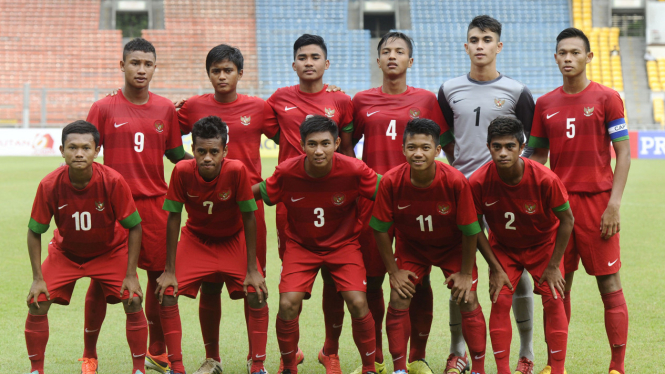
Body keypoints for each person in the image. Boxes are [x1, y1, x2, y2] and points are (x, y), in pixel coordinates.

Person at [437, 15, 537, 374]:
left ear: (499, 46)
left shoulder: (517, 91)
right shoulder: (449, 89)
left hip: (505, 195)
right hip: (463, 192)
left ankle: (526, 353)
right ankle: (458, 351)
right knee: (460, 272)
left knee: (518, 268)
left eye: (487, 39)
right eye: (474, 40)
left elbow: (528, 144)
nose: (480, 45)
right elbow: (446, 139)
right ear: (466, 46)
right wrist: (461, 171)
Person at [84, 37, 189, 374]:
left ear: (155, 68)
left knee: (160, 279)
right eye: (135, 63)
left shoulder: (165, 109)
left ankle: (157, 350)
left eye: (148, 64)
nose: (141, 69)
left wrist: (208, 165)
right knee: (100, 282)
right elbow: (86, 157)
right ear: (122, 65)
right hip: (113, 209)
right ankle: (89, 354)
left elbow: (175, 155)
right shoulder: (102, 108)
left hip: (155, 206)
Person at [529, 27, 631, 374]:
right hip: (558, 208)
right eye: (562, 52)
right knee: (556, 282)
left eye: (575, 52)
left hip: (598, 204)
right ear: (555, 57)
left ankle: (616, 366)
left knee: (609, 282)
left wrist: (613, 205)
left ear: (589, 57)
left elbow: (624, 153)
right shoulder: (544, 104)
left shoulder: (607, 98)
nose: (568, 58)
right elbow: (537, 155)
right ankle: (554, 366)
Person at [349, 31, 452, 374]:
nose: (392, 56)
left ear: (411, 61)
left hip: (417, 205)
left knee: (415, 279)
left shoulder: (425, 100)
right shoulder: (361, 100)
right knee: (375, 280)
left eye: (400, 52)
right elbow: (347, 150)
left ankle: (417, 356)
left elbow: (445, 146)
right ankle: (378, 357)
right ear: (377, 60)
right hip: (372, 203)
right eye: (386, 52)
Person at [175, 44, 279, 374]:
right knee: (209, 284)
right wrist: (191, 171)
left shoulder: (259, 108)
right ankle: (212, 358)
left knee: (255, 282)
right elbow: (159, 132)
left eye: (228, 70)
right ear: (208, 74)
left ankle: (255, 359)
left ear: (240, 74)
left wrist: (267, 187)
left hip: (248, 210)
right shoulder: (192, 107)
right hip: (206, 208)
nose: (222, 76)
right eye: (216, 70)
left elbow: (292, 143)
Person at [254, 115, 379, 374]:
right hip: (301, 246)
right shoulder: (287, 171)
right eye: (312, 144)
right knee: (288, 303)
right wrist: (222, 190)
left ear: (336, 143)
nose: (319, 150)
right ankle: (289, 365)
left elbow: (388, 189)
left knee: (357, 302)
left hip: (343, 246)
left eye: (325, 143)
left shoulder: (355, 169)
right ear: (302, 145)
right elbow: (259, 191)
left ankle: (368, 367)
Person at [25, 121, 146, 374]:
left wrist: (131, 275)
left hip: (108, 252)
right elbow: (35, 232)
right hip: (66, 254)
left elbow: (134, 227)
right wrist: (37, 278)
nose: (79, 153)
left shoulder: (112, 180)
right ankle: (36, 370)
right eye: (72, 147)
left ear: (96, 150)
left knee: (133, 299)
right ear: (61, 150)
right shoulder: (49, 184)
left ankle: (138, 370)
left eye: (85, 148)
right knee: (38, 301)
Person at [265, 33, 355, 372]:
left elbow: (346, 151)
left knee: (335, 279)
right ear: (293, 64)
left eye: (315, 57)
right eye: (302, 57)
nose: (308, 62)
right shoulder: (278, 99)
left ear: (326, 63)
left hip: (335, 202)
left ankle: (330, 350)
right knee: (294, 284)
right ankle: (293, 353)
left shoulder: (342, 101)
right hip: (292, 201)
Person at [371, 118, 486, 374]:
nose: (418, 153)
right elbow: (379, 229)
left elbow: (470, 231)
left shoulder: (455, 181)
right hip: (412, 247)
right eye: (412, 147)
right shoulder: (390, 181)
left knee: (467, 298)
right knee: (400, 295)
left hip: (452, 247)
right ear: (403, 149)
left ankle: (478, 368)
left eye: (425, 147)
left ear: (438, 150)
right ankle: (400, 369)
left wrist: (466, 274)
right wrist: (393, 271)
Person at [155, 115, 269, 374]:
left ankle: (258, 365)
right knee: (167, 292)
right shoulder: (182, 171)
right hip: (197, 240)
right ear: (192, 150)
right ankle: (180, 366)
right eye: (201, 151)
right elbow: (173, 218)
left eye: (214, 151)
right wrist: (169, 270)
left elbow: (249, 217)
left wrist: (253, 267)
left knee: (257, 291)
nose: (207, 157)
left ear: (225, 151)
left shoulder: (237, 170)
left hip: (232, 239)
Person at [470, 116, 573, 374]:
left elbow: (567, 221)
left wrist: (553, 266)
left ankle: (558, 370)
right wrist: (494, 267)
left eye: (510, 146)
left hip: (543, 245)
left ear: (521, 145)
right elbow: (473, 228)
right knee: (500, 298)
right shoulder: (478, 182)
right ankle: (504, 370)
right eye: (497, 147)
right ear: (488, 146)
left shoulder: (545, 179)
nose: (503, 153)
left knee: (553, 297)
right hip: (504, 247)